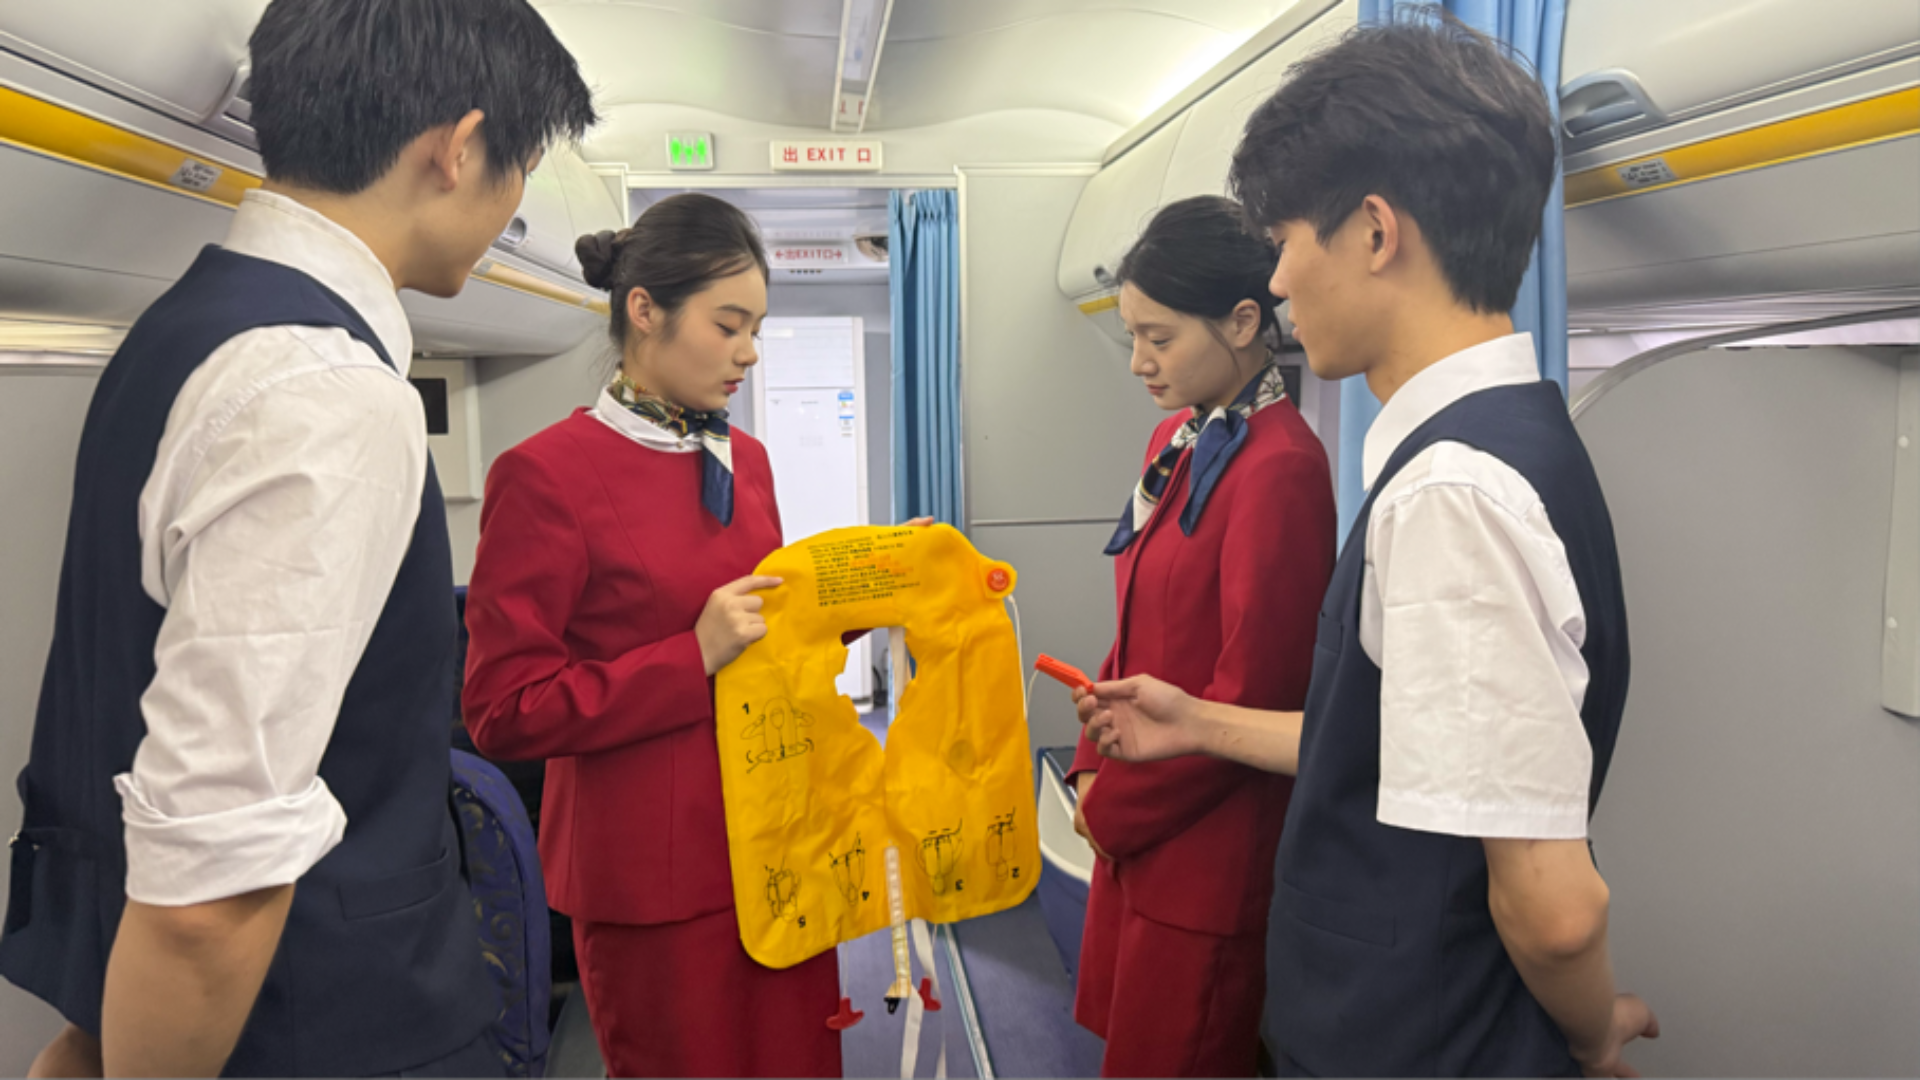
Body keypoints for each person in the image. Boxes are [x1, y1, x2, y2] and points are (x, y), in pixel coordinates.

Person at [0, 2, 596, 1077]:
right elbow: (210, 891)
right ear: (460, 149)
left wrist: (90, 1040)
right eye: (522, 169)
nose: (513, 204)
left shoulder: (179, 334)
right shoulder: (326, 389)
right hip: (329, 1029)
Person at [1080, 16, 1659, 1080]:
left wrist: (1587, 1035)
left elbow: (1556, 908)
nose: (1280, 282)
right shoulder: (1510, 440)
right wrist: (1196, 720)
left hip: (1419, 1041)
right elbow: (1403, 745)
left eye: (1289, 241)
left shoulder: (1452, 492)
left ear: (1376, 232)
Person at [467, 194, 916, 1079]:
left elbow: (764, 634)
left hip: (779, 842)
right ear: (645, 310)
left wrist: (872, 589)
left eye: (756, 328)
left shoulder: (746, 462)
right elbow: (502, 710)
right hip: (655, 881)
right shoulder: (545, 476)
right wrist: (691, 657)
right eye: (728, 324)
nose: (750, 352)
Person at [1063, 196, 1335, 1078]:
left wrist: (1113, 810)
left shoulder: (1282, 467)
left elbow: (1256, 697)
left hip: (1209, 854)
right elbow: (1134, 623)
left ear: (1245, 322)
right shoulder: (1176, 437)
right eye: (1132, 336)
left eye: (1160, 337)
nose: (1139, 361)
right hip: (1142, 819)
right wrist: (1091, 763)